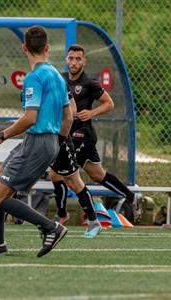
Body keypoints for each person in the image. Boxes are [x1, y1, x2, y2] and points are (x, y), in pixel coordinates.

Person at [0, 26, 70, 257]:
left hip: (36, 142)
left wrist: (1, 135)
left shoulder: (34, 78)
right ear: (47, 48)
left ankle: (51, 227)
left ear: (24, 47)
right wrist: (57, 144)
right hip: (42, 141)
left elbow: (30, 117)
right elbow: (69, 115)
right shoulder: (57, 75)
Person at [53, 44, 136, 222]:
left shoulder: (89, 83)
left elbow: (109, 103)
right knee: (97, 174)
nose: (74, 62)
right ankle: (131, 197)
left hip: (82, 135)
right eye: (71, 58)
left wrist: (91, 113)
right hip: (66, 135)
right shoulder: (60, 79)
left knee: (56, 173)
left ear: (84, 61)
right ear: (66, 60)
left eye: (78, 59)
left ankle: (62, 215)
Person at [49, 95, 102, 238]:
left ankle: (93, 221)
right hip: (41, 138)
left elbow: (71, 112)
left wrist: (60, 137)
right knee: (53, 175)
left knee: (74, 182)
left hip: (58, 139)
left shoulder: (56, 80)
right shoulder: (33, 80)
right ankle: (62, 214)